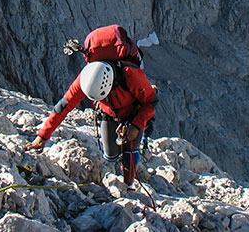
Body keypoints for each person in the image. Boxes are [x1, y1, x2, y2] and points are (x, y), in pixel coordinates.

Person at [25, 59, 157, 185]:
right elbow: (63, 106)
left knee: (130, 153)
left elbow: (151, 101)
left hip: (133, 113)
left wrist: (136, 125)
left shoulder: (130, 75)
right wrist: (42, 136)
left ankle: (129, 185)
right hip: (108, 112)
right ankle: (120, 161)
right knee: (110, 155)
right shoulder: (86, 79)